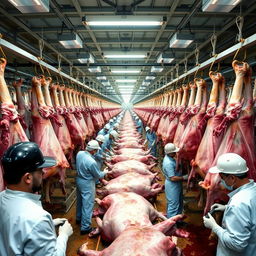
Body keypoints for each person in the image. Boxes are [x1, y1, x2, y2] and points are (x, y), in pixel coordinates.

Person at [0, 142, 73, 256]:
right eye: (40, 171)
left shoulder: (2, 198)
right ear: (28, 178)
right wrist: (63, 235)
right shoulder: (38, 218)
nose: (43, 173)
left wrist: (50, 224)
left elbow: (13, 230)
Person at [203, 153, 256, 256]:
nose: (221, 181)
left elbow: (237, 244)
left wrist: (214, 227)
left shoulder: (238, 204)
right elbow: (251, 212)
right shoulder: (253, 188)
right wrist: (226, 208)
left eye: (222, 177)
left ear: (232, 178)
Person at [76, 140, 108, 234]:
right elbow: (98, 175)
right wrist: (105, 172)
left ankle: (79, 218)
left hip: (79, 180)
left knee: (80, 201)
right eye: (96, 150)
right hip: (87, 183)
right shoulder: (91, 162)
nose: (96, 152)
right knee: (88, 204)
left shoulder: (80, 153)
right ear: (93, 150)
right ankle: (85, 227)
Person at [162, 143, 188, 218]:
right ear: (170, 153)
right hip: (172, 185)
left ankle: (178, 220)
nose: (175, 153)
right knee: (173, 204)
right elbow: (172, 178)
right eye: (174, 152)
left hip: (176, 184)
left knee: (179, 202)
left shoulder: (170, 158)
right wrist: (184, 178)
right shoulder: (168, 163)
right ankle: (171, 224)